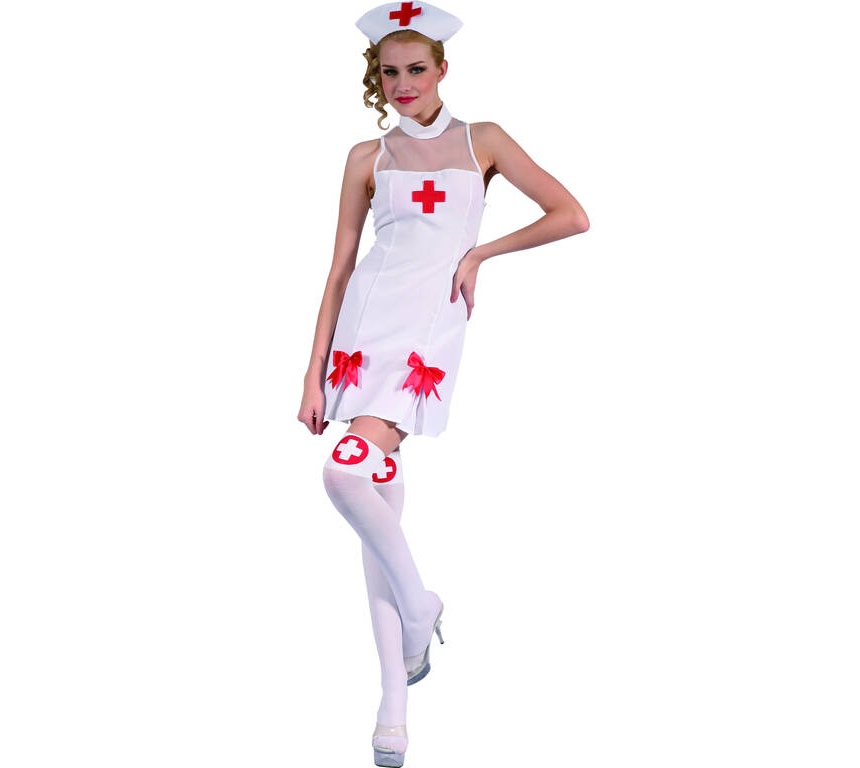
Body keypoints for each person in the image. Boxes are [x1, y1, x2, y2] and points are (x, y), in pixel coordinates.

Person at [297, 3, 589, 765]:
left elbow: (570, 214)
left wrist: (481, 253)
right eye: (390, 72)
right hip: (365, 325)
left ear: (442, 70)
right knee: (374, 506)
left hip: (427, 329)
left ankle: (420, 606)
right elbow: (339, 268)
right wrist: (312, 372)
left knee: (344, 475)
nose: (404, 84)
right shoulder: (366, 155)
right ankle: (395, 699)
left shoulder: (482, 140)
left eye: (416, 69)